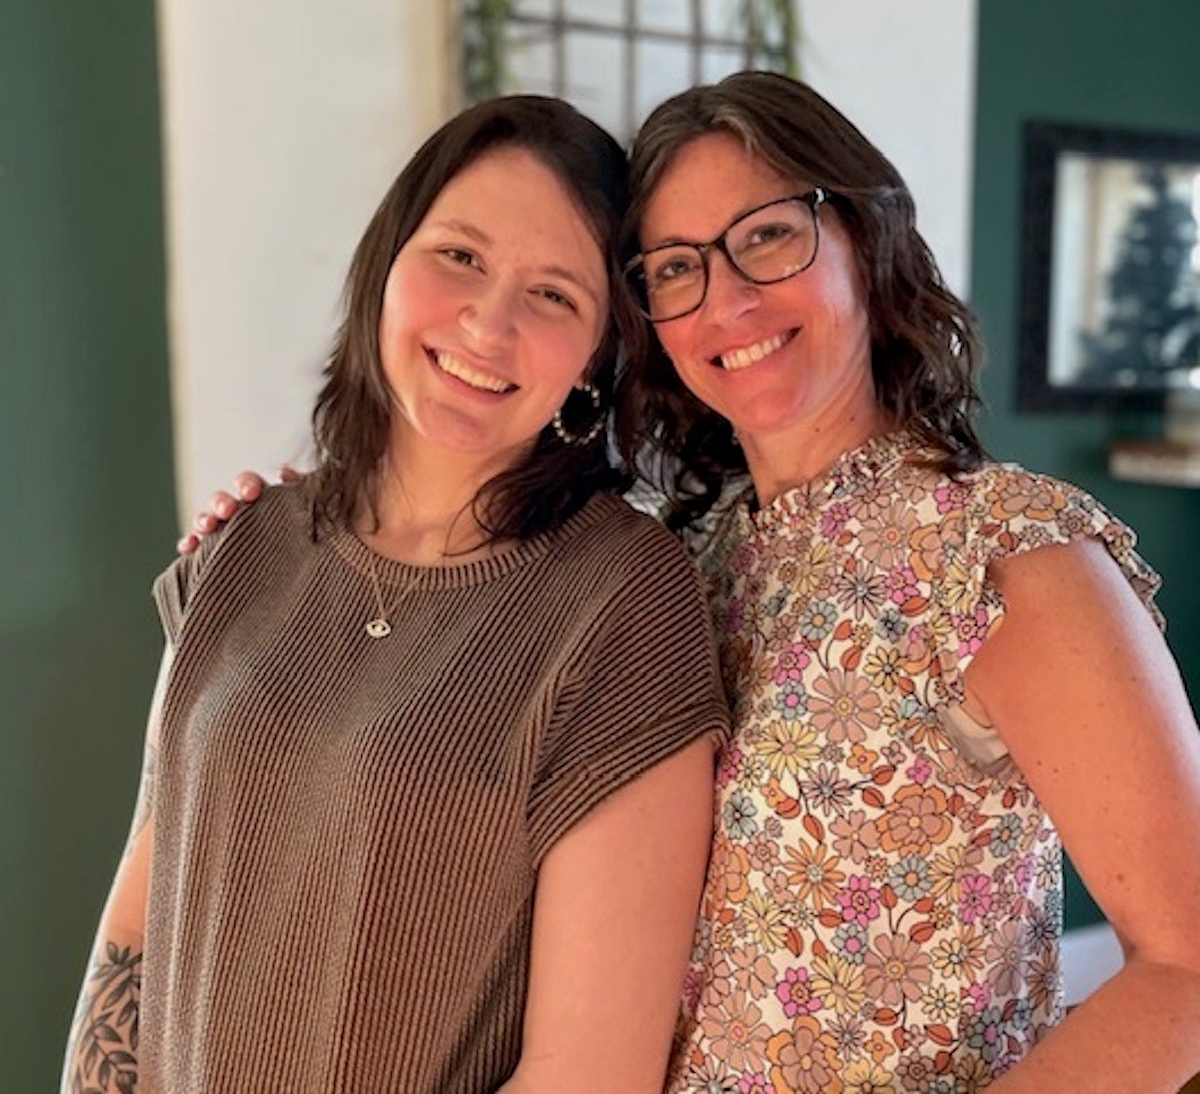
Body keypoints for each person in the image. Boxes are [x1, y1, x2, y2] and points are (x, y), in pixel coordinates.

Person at [184, 72, 1200, 1093]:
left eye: (766, 236)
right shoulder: (670, 563)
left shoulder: (1010, 554)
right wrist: (277, 544)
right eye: (676, 268)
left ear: (864, 235)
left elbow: (1188, 965)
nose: (730, 299)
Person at [62, 94, 730, 1094]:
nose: (487, 323)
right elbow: (135, 932)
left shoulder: (624, 599)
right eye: (459, 256)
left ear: (600, 355)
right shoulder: (243, 542)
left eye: (553, 295)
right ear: (389, 260)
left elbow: (587, 1071)